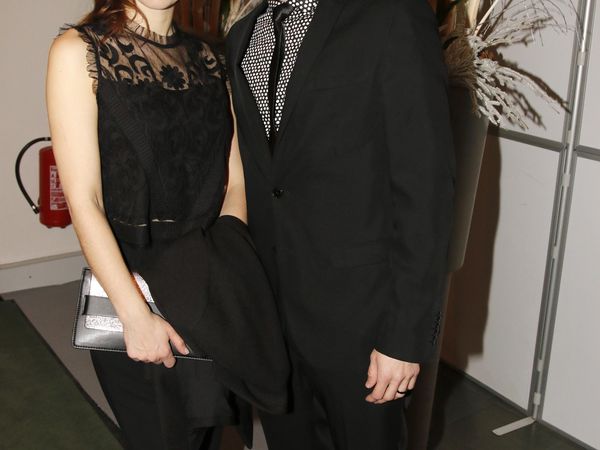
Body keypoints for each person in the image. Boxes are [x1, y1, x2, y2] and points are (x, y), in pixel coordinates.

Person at [226, 0, 455, 448]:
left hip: (363, 323)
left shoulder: (391, 16)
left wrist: (406, 337)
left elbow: (426, 188)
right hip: (272, 319)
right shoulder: (244, 34)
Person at [46, 1, 251, 448]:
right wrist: (134, 314)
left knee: (208, 431)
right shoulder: (78, 51)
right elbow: (84, 200)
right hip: (129, 282)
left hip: (206, 278)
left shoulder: (212, 59)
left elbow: (235, 182)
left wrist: (226, 266)